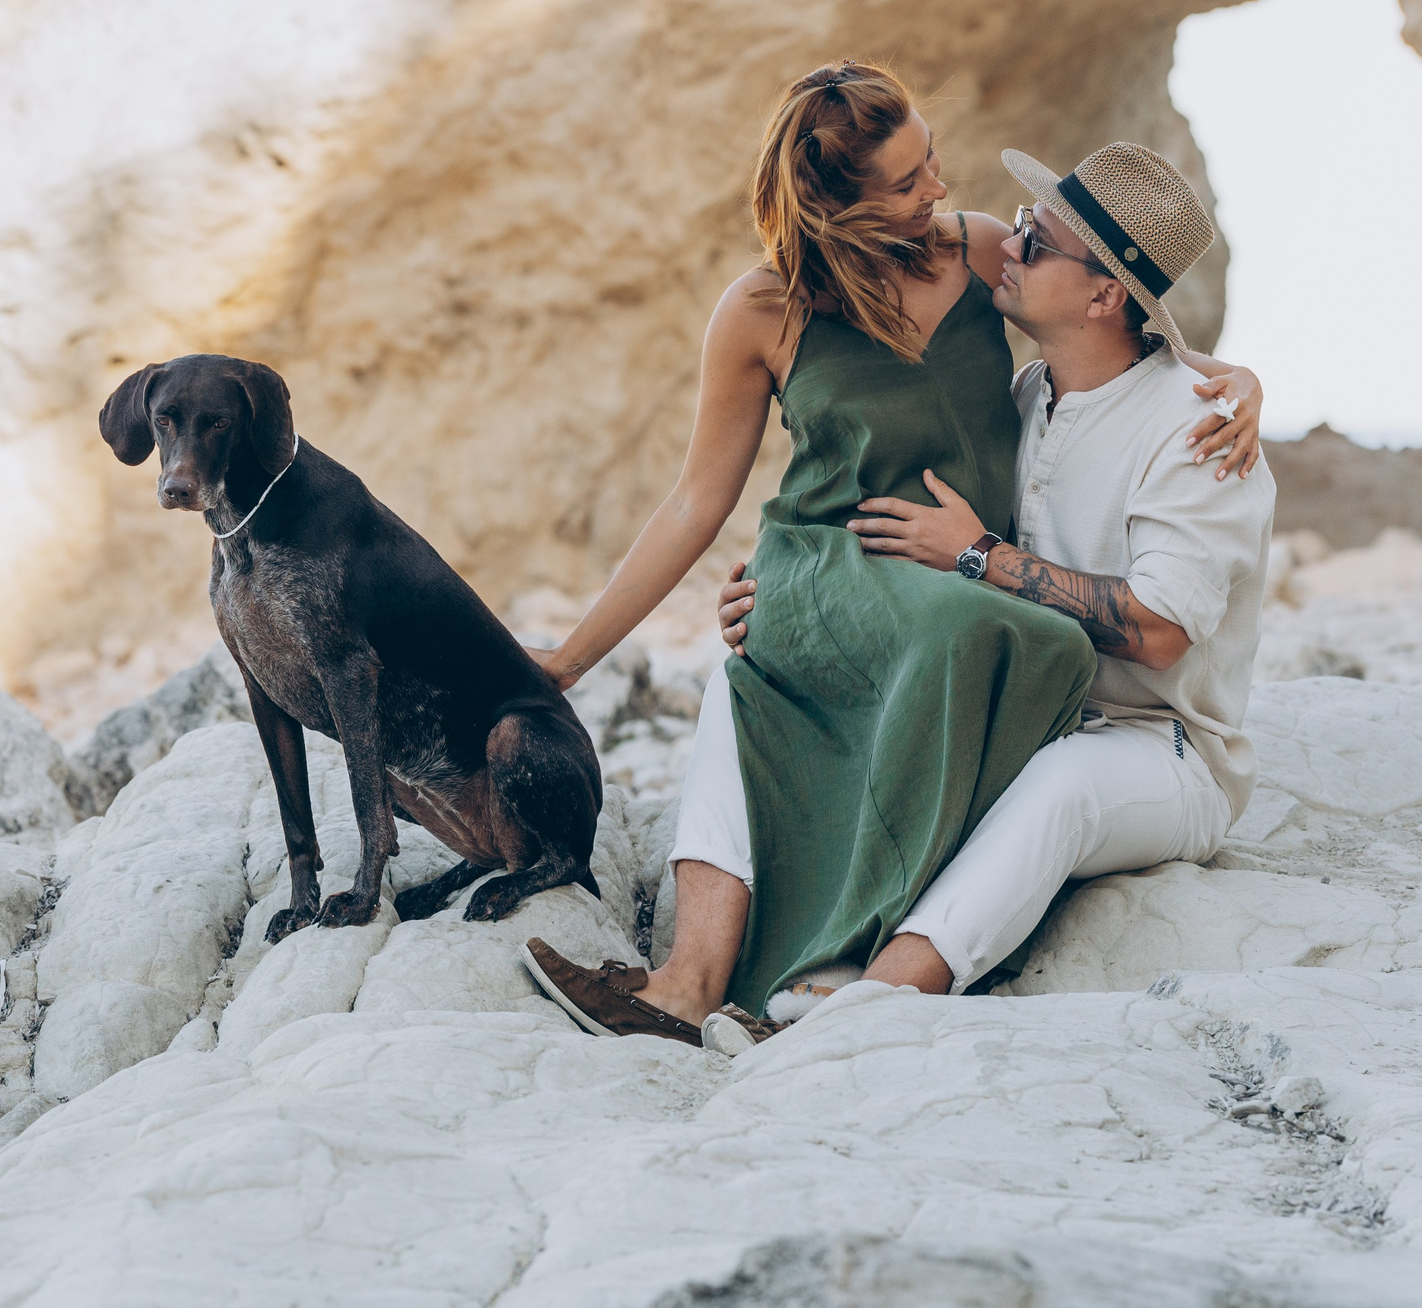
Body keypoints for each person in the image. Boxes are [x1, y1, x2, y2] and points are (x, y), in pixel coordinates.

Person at [517, 63, 1263, 1048]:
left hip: (1096, 707)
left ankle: (863, 1004)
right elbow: (703, 498)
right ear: (840, 205)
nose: (953, 200)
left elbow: (1139, 370)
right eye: (911, 180)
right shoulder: (1011, 388)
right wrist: (574, 659)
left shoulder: (1142, 390)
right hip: (923, 628)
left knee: (1045, 757)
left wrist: (1233, 384)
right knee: (742, 679)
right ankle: (685, 986)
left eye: (934, 166)